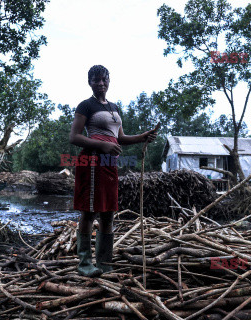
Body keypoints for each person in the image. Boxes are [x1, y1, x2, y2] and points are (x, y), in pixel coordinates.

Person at [69, 65, 157, 277]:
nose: (100, 83)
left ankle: (105, 264)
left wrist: (143, 136)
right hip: (91, 162)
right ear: (89, 82)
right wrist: (101, 145)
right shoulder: (86, 106)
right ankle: (84, 264)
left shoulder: (114, 107)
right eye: (96, 80)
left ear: (109, 81)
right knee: (90, 211)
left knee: (108, 212)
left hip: (109, 163)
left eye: (104, 79)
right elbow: (74, 137)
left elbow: (120, 139)